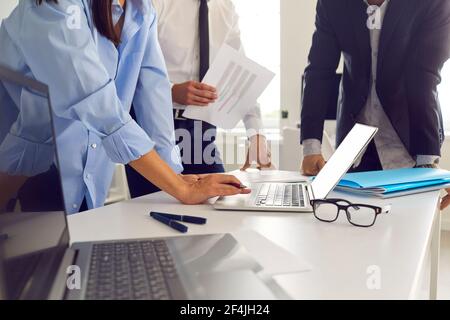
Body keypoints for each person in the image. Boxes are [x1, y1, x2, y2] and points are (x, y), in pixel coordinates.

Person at [0, 0, 249, 214]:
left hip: (83, 177)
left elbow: (154, 92)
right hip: (22, 176)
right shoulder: (53, 6)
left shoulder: (141, 11)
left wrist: (173, 175)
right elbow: (95, 101)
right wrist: (181, 188)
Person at [300, 0, 450, 208]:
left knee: (409, 231)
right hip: (353, 147)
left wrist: (428, 163)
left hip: (409, 143)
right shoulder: (332, 3)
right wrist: (311, 147)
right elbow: (318, 72)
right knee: (348, 228)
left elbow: (424, 77)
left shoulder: (433, 2)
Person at [126, 0, 273, 198]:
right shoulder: (156, 4)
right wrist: (171, 91)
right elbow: (131, 69)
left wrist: (256, 134)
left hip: (202, 129)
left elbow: (240, 75)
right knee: (152, 212)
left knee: (222, 201)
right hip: (153, 127)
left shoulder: (225, 7)